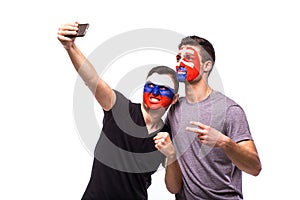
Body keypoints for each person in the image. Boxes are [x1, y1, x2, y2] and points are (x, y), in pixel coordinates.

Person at [57, 22, 180, 200]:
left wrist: (171, 155)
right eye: (150, 86)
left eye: (163, 88)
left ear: (174, 98)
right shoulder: (120, 108)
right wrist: (70, 47)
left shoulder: (168, 135)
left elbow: (174, 188)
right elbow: (92, 79)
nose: (154, 93)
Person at [164, 35, 262, 199]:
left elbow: (255, 168)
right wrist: (163, 105)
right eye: (178, 58)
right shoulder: (174, 110)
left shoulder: (230, 109)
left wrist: (224, 142)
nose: (180, 63)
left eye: (188, 58)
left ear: (206, 66)